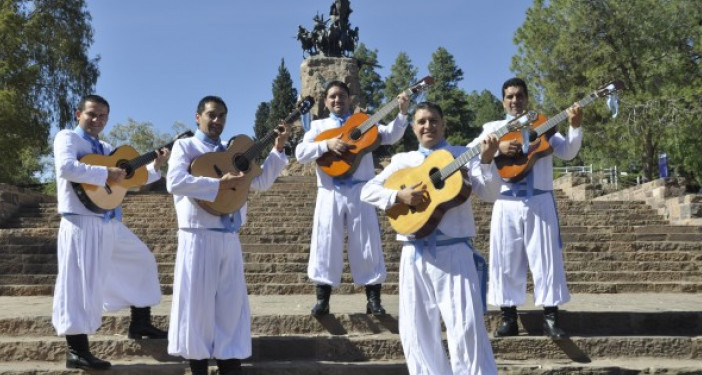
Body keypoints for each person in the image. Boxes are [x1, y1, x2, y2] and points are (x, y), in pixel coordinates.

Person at [361, 101, 501, 374]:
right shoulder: (404, 161)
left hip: (454, 252)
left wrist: (486, 160)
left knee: (466, 328)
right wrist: (397, 196)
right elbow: (367, 190)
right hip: (413, 251)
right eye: (422, 121)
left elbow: (490, 194)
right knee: (416, 330)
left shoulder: (462, 154)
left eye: (433, 120)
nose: (428, 126)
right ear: (413, 127)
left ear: (443, 124)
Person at [166, 95, 289, 375]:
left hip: (229, 235)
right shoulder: (185, 146)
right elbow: (174, 181)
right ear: (198, 117)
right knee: (196, 305)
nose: (217, 120)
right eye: (212, 115)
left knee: (232, 305)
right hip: (197, 234)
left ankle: (230, 364)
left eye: (222, 115)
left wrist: (278, 149)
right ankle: (197, 366)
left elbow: (262, 182)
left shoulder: (234, 151)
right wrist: (216, 185)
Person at [52, 94, 169, 370]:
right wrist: (105, 174)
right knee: (79, 284)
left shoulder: (105, 147)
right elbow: (66, 168)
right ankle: (76, 350)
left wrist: (156, 166)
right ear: (78, 114)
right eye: (92, 114)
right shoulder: (68, 138)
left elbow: (132, 178)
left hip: (109, 221)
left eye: (103, 116)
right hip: (81, 220)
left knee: (141, 260)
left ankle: (140, 323)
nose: (97, 120)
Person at [471, 77, 583, 340]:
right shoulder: (493, 127)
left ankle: (551, 317)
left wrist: (575, 127)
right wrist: (496, 149)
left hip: (539, 200)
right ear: (503, 101)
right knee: (504, 259)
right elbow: (469, 153)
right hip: (506, 201)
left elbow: (567, 153)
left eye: (519, 95)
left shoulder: (543, 126)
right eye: (509, 96)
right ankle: (508, 318)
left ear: (527, 98)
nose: (514, 100)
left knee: (547, 259)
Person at [295, 80, 410, 316]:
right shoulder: (318, 126)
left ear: (349, 99)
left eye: (342, 96)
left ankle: (373, 300)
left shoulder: (363, 123)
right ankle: (322, 300)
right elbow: (301, 153)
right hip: (330, 191)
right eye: (333, 97)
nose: (338, 100)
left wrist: (402, 112)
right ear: (326, 102)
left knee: (367, 242)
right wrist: (327, 143)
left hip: (361, 190)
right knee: (326, 242)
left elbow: (390, 135)